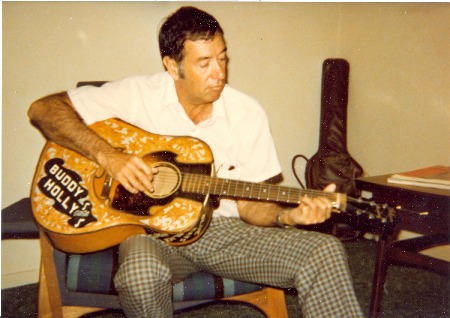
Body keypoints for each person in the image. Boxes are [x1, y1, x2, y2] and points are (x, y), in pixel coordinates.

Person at [28, 6, 363, 318]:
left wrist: (287, 215)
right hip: (151, 233)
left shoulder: (246, 114)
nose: (219, 73)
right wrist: (109, 156)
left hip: (224, 232)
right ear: (172, 66)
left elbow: (250, 206)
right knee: (139, 273)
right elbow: (43, 109)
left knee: (324, 251)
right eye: (204, 63)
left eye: (222, 58)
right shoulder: (137, 95)